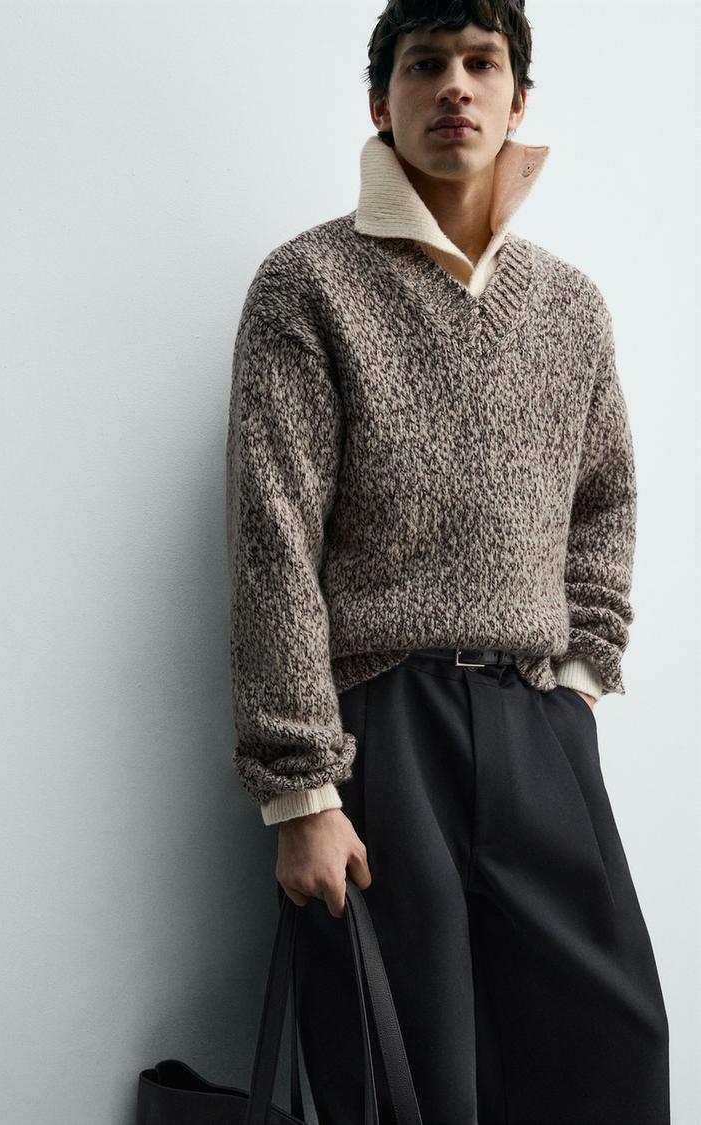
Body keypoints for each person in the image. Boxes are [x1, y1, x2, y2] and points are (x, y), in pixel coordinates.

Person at [224, 1, 671, 1121]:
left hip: (537, 724)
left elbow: (606, 501)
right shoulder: (308, 283)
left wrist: (579, 685)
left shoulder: (570, 304)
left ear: (519, 99)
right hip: (382, 734)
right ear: (383, 102)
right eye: (427, 64)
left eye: (482, 62)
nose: (456, 86)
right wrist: (301, 792)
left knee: (610, 1052)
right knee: (415, 1072)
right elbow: (274, 536)